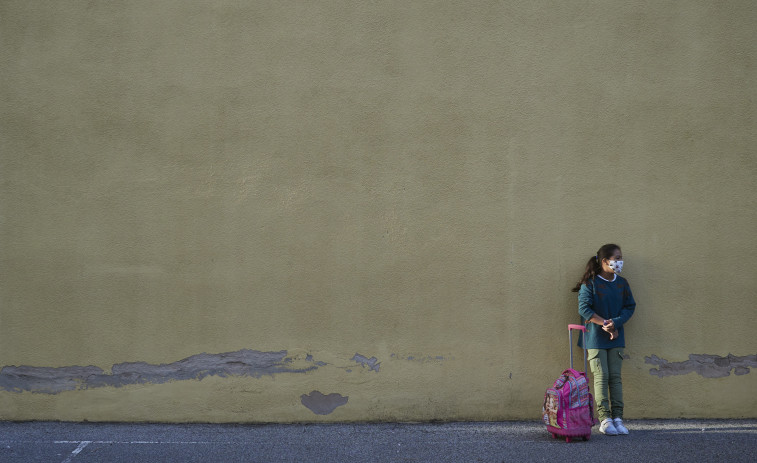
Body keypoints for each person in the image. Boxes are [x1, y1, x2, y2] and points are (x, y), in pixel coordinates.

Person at [572, 244, 636, 436]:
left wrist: (615, 323)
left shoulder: (622, 283)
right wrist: (604, 324)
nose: (619, 262)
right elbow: (584, 308)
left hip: (616, 337)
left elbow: (630, 306)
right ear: (604, 261)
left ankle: (617, 418)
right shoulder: (590, 283)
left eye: (620, 257)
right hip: (595, 338)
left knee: (615, 378)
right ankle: (604, 419)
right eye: (616, 258)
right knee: (601, 377)